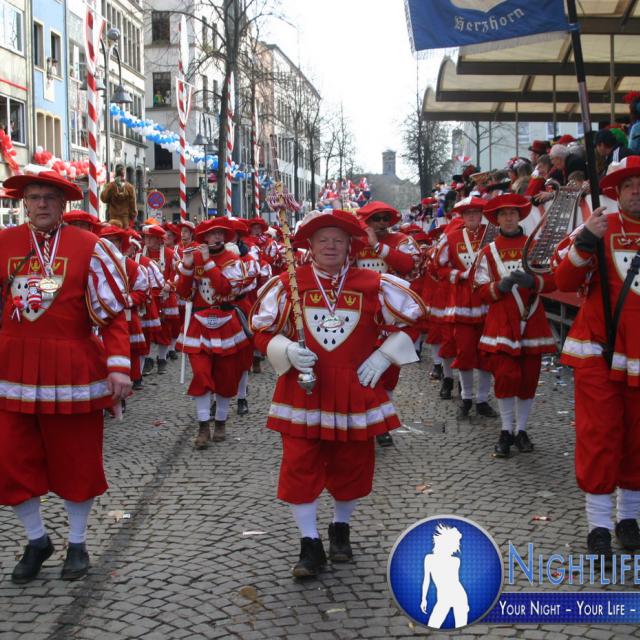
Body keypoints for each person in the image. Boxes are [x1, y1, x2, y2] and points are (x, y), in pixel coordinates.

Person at [249, 209, 425, 578]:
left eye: (338, 240)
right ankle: (309, 543)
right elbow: (261, 330)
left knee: (352, 464)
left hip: (354, 387)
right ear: (310, 246)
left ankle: (340, 526)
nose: (330, 246)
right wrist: (285, 349)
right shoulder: (289, 283)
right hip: (303, 388)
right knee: (299, 463)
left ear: (349, 246)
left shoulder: (375, 283)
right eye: (323, 240)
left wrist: (384, 354)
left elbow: (417, 320)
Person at [0, 169, 131, 583]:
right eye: (34, 197)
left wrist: (118, 366)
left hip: (73, 370)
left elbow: (114, 314)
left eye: (49, 198)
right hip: (11, 369)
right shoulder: (3, 242)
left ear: (63, 204)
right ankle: (36, 540)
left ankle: (77, 543)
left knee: (76, 459)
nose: (41, 204)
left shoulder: (91, 247)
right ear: (24, 203)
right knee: (9, 459)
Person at [553, 155, 640, 559]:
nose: (637, 192)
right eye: (629, 186)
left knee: (637, 437)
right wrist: (586, 239)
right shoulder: (599, 227)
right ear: (617, 192)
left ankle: (629, 518)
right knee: (600, 434)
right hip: (599, 349)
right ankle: (599, 525)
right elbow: (563, 279)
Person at [473, 194, 556, 458]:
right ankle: (506, 430)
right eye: (503, 214)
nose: (509, 218)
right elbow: (479, 290)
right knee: (506, 377)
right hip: (502, 322)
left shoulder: (535, 246)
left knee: (529, 378)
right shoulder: (487, 252)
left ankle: (521, 430)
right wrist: (499, 286)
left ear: (519, 216)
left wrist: (534, 283)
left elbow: (553, 280)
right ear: (496, 219)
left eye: (512, 213)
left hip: (532, 320)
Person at [175, 218, 252, 448]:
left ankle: (220, 422)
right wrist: (187, 267)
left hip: (226, 322)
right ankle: (202, 426)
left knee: (226, 376)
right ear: (205, 238)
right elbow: (183, 293)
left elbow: (225, 288)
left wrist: (208, 262)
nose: (217, 237)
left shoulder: (233, 260)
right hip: (199, 323)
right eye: (212, 233)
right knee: (201, 374)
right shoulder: (195, 257)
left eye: (220, 233)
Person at [355, 200, 421, 447]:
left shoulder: (403, 240)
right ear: (366, 221)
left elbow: (410, 266)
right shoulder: (355, 243)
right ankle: (372, 421)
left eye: (385, 218)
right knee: (362, 367)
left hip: (393, 315)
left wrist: (377, 246)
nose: (382, 223)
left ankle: (383, 420)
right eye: (376, 219)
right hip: (362, 313)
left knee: (389, 371)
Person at [436, 197, 497, 419]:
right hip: (462, 303)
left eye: (476, 213)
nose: (472, 216)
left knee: (487, 354)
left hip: (488, 302)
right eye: (468, 213)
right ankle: (467, 399)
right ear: (462, 216)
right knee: (464, 353)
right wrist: (460, 275)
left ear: (481, 215)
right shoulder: (451, 238)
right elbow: (439, 267)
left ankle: (482, 400)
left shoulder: (492, 235)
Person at [141, 224, 180, 373]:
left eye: (150, 237)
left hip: (164, 296)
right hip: (147, 298)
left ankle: (162, 358)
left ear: (159, 239)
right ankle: (147, 359)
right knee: (146, 329)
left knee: (165, 328)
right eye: (146, 237)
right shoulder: (139, 254)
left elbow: (178, 274)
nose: (147, 240)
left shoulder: (170, 254)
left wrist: (170, 284)